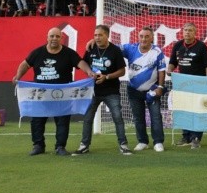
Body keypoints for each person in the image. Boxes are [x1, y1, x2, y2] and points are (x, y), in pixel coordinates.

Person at [12, 27, 95, 156]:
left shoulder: (69, 53)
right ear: (47, 37)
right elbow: (25, 64)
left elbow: (80, 63)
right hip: (41, 94)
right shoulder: (38, 52)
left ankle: (60, 146)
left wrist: (89, 72)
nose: (54, 39)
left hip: (62, 95)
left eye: (57, 36)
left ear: (61, 38)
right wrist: (18, 77)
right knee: (37, 121)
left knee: (62, 121)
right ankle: (38, 145)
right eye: (52, 36)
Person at [74, 25, 132, 155]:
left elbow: (122, 71)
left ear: (107, 35)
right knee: (88, 118)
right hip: (93, 91)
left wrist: (107, 77)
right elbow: (84, 64)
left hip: (111, 91)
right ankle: (84, 145)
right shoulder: (91, 48)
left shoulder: (115, 50)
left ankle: (123, 145)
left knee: (118, 117)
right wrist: (90, 73)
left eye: (100, 35)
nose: (97, 38)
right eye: (95, 35)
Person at [121, 27, 167, 152]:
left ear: (152, 38)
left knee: (156, 116)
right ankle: (142, 141)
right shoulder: (130, 49)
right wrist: (92, 42)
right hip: (133, 90)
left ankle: (158, 142)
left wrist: (160, 87)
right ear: (138, 37)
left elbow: (161, 71)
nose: (144, 39)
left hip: (152, 90)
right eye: (141, 36)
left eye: (147, 36)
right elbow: (112, 48)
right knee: (138, 117)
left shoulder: (157, 51)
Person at [168, 22, 207, 149]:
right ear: (182, 32)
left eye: (190, 30)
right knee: (184, 111)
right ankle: (185, 136)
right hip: (183, 85)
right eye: (186, 30)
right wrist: (169, 70)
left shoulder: (201, 46)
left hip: (198, 85)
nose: (187, 32)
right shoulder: (178, 46)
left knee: (197, 111)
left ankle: (196, 138)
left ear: (195, 32)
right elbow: (172, 63)